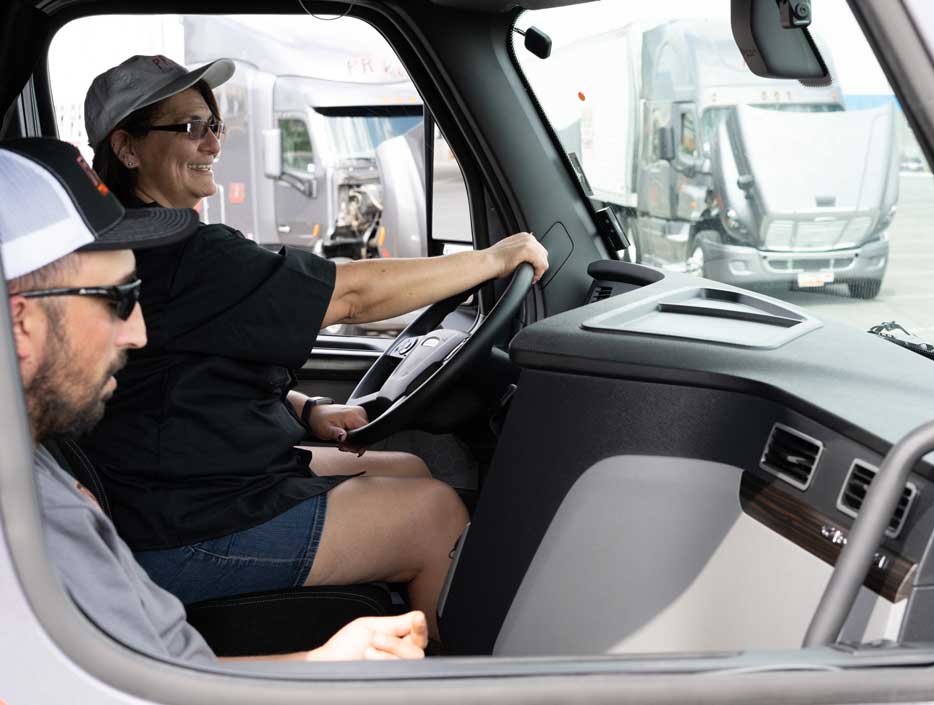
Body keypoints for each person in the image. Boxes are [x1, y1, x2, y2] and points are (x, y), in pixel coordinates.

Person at [77, 55, 549, 639]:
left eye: (215, 126)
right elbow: (351, 296)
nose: (212, 144)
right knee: (437, 517)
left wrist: (305, 409)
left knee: (408, 466)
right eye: (191, 128)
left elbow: (184, 371)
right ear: (127, 149)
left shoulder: (132, 243)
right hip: (182, 527)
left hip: (180, 488)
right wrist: (491, 261)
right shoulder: (179, 255)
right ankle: (446, 679)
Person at [1, 137, 428, 664]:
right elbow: (151, 692)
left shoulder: (36, 473)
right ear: (19, 323)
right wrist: (326, 668)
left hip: (198, 507)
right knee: (433, 514)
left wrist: (327, 661)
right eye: (119, 300)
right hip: (186, 516)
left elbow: (158, 676)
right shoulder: (37, 513)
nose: (138, 332)